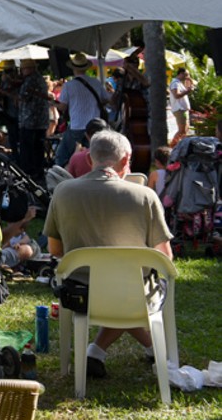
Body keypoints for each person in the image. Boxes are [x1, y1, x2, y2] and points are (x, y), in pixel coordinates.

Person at [45, 130, 172, 379]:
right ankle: (139, 348)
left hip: (81, 295)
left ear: (90, 159)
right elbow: (165, 257)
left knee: (118, 290)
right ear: (126, 160)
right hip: (134, 296)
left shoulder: (63, 192)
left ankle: (98, 351)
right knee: (134, 289)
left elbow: (55, 250)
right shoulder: (146, 196)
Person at [55, 54, 109, 167]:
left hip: (77, 125)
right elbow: (106, 99)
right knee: (93, 156)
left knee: (62, 156)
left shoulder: (69, 85)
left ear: (73, 68)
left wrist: (52, 102)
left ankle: (67, 177)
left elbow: (63, 107)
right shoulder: (96, 82)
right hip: (95, 126)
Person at [169, 67, 193, 145]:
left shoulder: (179, 83)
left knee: (185, 130)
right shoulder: (175, 83)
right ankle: (172, 145)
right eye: (186, 75)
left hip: (183, 109)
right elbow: (176, 95)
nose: (187, 77)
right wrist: (187, 91)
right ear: (181, 74)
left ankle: (180, 145)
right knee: (182, 130)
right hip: (179, 109)